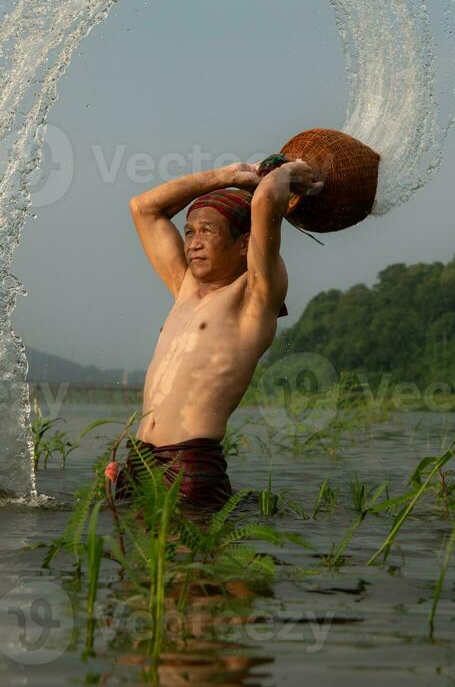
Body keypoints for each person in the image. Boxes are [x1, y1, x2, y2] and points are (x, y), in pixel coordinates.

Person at [110, 157, 322, 511]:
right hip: (139, 462)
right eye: (190, 231)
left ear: (244, 244)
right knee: (138, 565)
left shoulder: (254, 296)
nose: (193, 242)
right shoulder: (185, 289)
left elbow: (267, 200)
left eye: (208, 231)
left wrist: (287, 173)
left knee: (188, 565)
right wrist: (227, 175)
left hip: (189, 466)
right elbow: (144, 208)